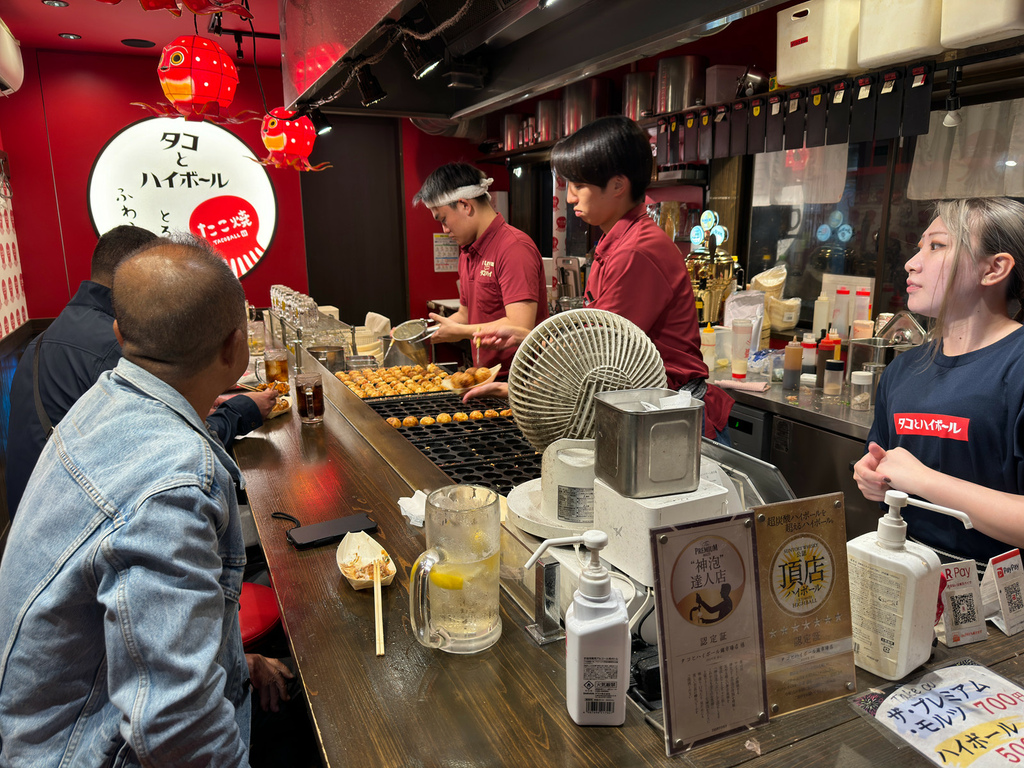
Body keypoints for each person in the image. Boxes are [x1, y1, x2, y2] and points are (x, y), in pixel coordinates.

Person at [0, 237, 291, 766]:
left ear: (119, 333)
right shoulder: (173, 483)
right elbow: (178, 730)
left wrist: (231, 660)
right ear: (236, 348)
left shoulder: (104, 399)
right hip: (81, 750)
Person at [470, 116, 732, 441]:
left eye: (578, 185)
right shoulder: (618, 242)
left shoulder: (636, 251)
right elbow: (595, 336)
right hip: (647, 411)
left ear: (618, 185)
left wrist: (522, 390)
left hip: (671, 421)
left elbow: (599, 358)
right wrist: (528, 336)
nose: (569, 198)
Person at [5, 225, 276, 516]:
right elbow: (173, 448)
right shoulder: (119, 349)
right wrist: (239, 412)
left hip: (34, 513)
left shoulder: (46, 338)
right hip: (80, 521)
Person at [854, 198, 1024, 567]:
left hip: (1001, 599)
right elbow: (883, 461)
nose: (911, 263)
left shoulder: (1018, 365)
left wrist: (922, 479)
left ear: (995, 268)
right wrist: (871, 477)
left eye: (937, 246)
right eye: (919, 248)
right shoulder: (904, 368)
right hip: (908, 569)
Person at [413, 162, 549, 371]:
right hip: (486, 374)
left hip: (522, 380)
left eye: (444, 219)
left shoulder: (513, 248)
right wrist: (425, 333)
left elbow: (519, 326)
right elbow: (466, 315)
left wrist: (460, 332)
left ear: (465, 205)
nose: (445, 229)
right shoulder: (468, 252)